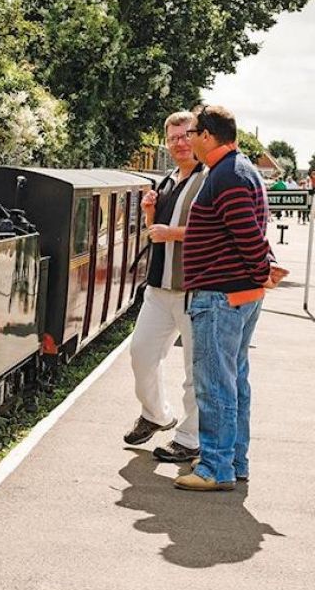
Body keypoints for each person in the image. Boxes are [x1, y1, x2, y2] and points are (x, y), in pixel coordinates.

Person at [175, 104, 288, 491]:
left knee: (215, 384)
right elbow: (255, 231)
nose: (188, 141)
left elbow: (246, 233)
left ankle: (215, 467)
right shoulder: (241, 170)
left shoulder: (227, 175)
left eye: (191, 134)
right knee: (235, 381)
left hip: (222, 294)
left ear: (207, 135)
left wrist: (261, 270)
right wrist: (264, 268)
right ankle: (234, 460)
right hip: (238, 293)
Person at [123, 111, 207, 462]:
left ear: (199, 137)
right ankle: (157, 415)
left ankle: (189, 439)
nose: (180, 143)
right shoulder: (167, 181)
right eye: (173, 138)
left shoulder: (210, 179)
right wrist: (148, 215)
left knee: (195, 369)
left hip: (194, 288)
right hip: (159, 287)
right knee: (141, 354)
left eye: (186, 135)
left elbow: (216, 231)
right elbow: (156, 235)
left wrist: (173, 233)